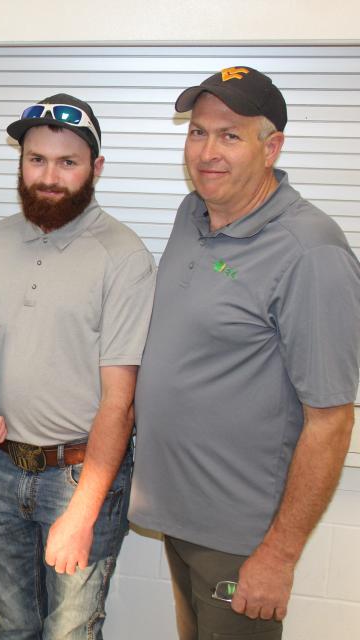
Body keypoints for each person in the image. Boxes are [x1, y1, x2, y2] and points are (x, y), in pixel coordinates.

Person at [129, 67, 360, 640]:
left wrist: (278, 557)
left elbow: (331, 420)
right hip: (180, 517)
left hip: (241, 540)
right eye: (198, 132)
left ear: (271, 146)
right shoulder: (193, 215)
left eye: (230, 135)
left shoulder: (311, 252)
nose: (207, 152)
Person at [0, 95, 156, 638]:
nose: (49, 176)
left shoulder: (123, 256)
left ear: (95, 168)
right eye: (36, 159)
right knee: (14, 627)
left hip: (78, 479)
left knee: (69, 632)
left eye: (67, 162)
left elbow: (120, 402)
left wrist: (83, 512)